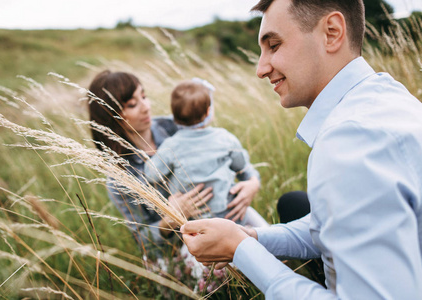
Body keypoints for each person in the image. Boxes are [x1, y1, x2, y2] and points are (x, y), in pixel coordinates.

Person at [180, 0, 422, 299]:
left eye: (274, 45)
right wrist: (251, 237)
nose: (261, 68)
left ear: (332, 33)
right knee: (295, 203)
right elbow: (332, 222)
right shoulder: (386, 96)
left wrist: (241, 251)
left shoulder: (352, 139)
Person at [87, 70, 261, 256]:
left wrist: (252, 183)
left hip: (229, 212)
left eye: (144, 96)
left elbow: (230, 154)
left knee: (266, 242)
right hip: (183, 246)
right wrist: (170, 220)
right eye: (132, 104)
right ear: (111, 116)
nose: (146, 107)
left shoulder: (178, 125)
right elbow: (142, 239)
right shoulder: (119, 176)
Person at [144, 78, 268, 226]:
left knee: (194, 246)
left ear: (174, 115)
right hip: (231, 211)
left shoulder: (170, 146)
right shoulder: (225, 138)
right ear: (208, 112)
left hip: (195, 220)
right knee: (263, 231)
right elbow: (241, 164)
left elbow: (151, 174)